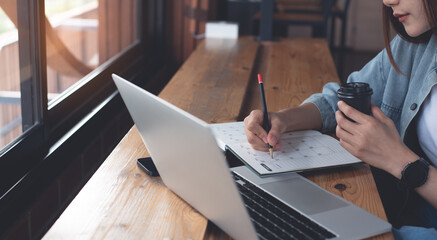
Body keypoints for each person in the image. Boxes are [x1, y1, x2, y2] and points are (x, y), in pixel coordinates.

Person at [244, 0, 437, 238]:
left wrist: (400, 161)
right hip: (407, 212)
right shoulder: (417, 44)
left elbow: (399, 161)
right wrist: (282, 119)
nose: (388, 1)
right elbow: (343, 98)